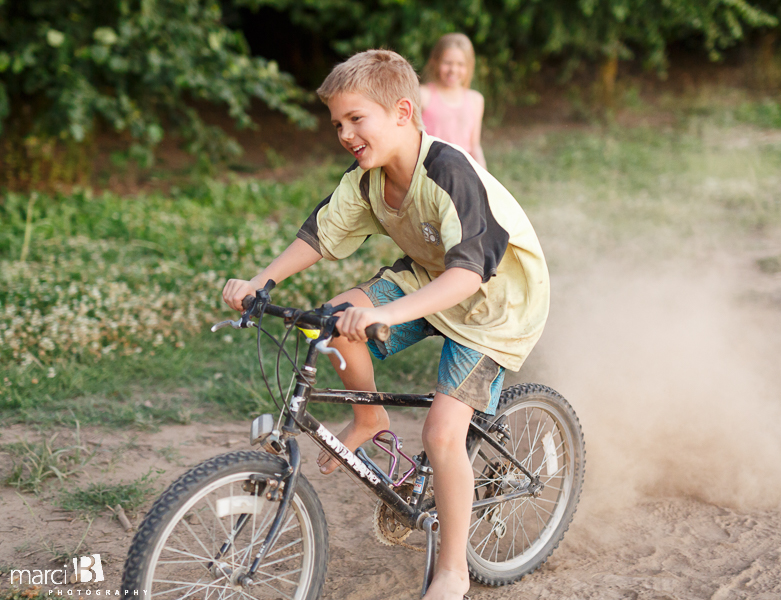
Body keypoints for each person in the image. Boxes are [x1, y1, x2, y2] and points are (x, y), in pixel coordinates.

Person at [222, 49, 549, 600]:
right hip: (428, 279)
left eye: (356, 119)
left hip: (497, 304)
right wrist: (261, 282)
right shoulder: (367, 178)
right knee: (332, 318)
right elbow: (318, 236)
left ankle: (453, 570)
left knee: (443, 433)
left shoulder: (448, 171)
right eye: (337, 124)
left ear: (401, 112)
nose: (345, 134)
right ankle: (370, 420)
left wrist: (385, 313)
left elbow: (469, 274)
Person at [421, 33, 487, 168]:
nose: (453, 69)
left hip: (464, 173)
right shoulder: (423, 95)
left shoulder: (476, 100)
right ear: (435, 61)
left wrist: (484, 176)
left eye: (460, 64)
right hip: (430, 172)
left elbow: (475, 146)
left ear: (469, 66)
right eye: (447, 63)